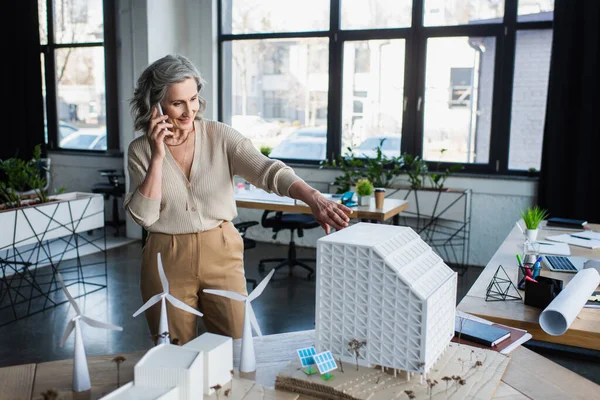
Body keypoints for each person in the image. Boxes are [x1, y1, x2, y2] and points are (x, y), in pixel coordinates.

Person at [124, 54, 352, 344]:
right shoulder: (140, 151)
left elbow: (267, 170)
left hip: (221, 250)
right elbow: (144, 217)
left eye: (193, 99)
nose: (188, 111)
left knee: (236, 344)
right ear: (154, 105)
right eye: (177, 102)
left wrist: (314, 198)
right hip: (165, 258)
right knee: (174, 351)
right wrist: (158, 157)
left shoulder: (220, 136)